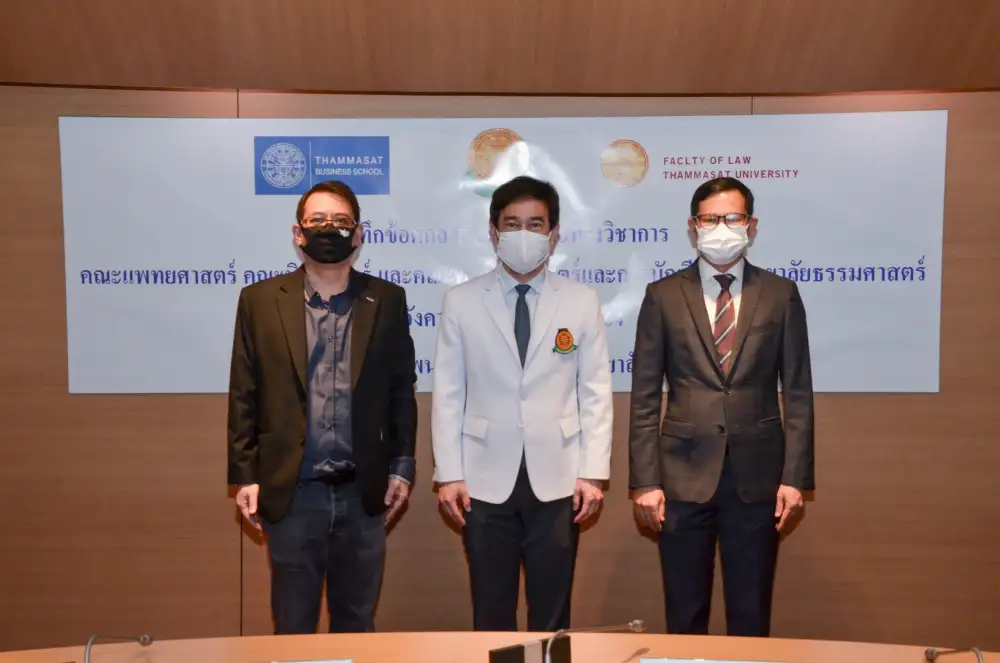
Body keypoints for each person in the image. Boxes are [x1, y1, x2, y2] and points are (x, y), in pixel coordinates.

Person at [227, 180, 417, 634]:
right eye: (317, 220)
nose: (329, 228)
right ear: (298, 233)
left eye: (340, 221)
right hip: (293, 493)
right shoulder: (259, 300)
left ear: (358, 234)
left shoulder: (387, 300)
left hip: (362, 493)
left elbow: (400, 391)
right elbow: (244, 391)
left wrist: (402, 468)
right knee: (293, 626)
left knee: (357, 623)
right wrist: (244, 475)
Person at [628, 176, 814, 637]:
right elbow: (645, 397)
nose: (721, 228)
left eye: (732, 218)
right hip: (681, 477)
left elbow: (797, 392)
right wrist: (645, 482)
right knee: (685, 613)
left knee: (751, 614)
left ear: (751, 225)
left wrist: (795, 477)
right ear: (693, 227)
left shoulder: (781, 293)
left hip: (758, 478)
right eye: (711, 219)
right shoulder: (662, 295)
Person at [431, 175, 613, 631]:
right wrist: (448, 474)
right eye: (512, 224)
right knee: (491, 610)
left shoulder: (581, 300)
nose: (524, 234)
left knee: (552, 612)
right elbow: (449, 393)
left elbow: (594, 391)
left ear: (554, 234)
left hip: (560, 478)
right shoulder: (461, 301)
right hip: (482, 480)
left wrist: (593, 473)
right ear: (494, 233)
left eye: (536, 224)